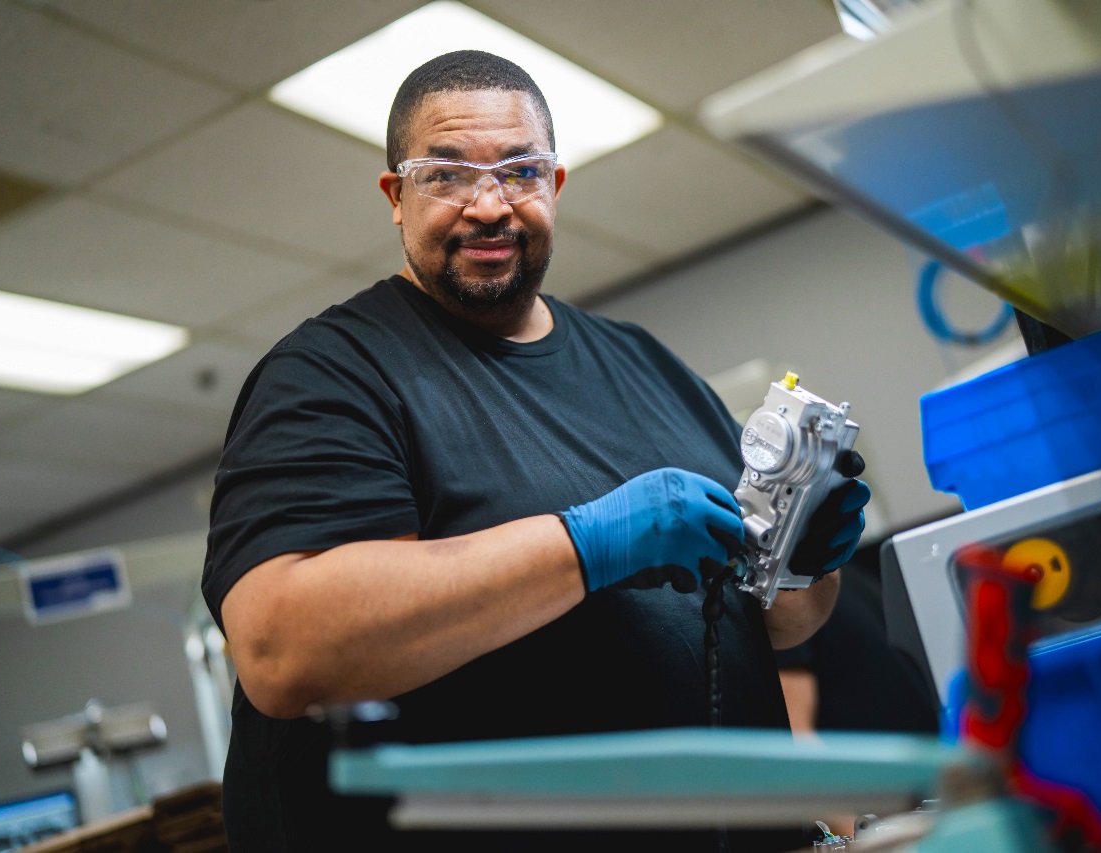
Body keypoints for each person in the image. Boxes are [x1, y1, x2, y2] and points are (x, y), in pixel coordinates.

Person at [201, 49, 869, 852]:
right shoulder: (333, 373)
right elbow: (281, 646)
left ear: (554, 186)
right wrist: (586, 544)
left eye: (520, 171)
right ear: (397, 196)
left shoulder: (647, 365)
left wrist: (803, 558)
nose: (489, 204)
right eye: (446, 174)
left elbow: (784, 624)